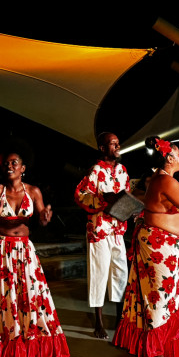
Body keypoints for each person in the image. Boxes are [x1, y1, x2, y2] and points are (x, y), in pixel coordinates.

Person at [0, 142, 69, 357]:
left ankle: (28, 340)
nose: (9, 166)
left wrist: (45, 218)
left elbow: (41, 220)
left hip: (23, 250)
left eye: (14, 163)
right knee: (2, 298)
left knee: (29, 296)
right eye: (6, 163)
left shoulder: (33, 192)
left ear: (23, 168)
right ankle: (3, 344)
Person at [113, 136, 179, 357]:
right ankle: (154, 350)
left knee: (163, 294)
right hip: (159, 247)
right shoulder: (164, 180)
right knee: (159, 295)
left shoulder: (162, 179)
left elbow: (170, 205)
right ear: (170, 158)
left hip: (165, 246)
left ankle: (158, 344)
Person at [74, 132, 130, 339]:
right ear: (103, 148)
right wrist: (102, 201)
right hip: (99, 230)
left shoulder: (122, 171)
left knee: (120, 273)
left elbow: (126, 195)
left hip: (117, 230)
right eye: (113, 144)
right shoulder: (95, 170)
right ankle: (98, 322)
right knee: (99, 273)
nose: (117, 146)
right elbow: (80, 195)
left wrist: (129, 208)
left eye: (118, 143)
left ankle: (120, 319)